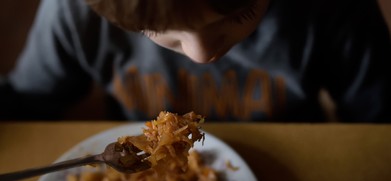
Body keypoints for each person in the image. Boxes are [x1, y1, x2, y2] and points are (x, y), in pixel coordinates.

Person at [1, 0, 390, 122]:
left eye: (239, 16)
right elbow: (26, 102)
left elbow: (379, 119)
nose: (202, 55)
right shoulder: (75, 12)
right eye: (153, 31)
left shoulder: (334, 8)